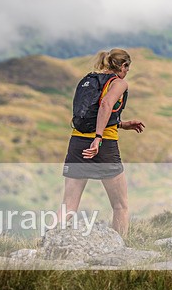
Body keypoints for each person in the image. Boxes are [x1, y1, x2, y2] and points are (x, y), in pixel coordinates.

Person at [59, 48, 145, 236]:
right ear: (123, 66)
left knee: (68, 205)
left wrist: (122, 124)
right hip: (103, 145)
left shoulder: (90, 80)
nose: (127, 72)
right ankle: (119, 249)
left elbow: (94, 111)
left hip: (77, 142)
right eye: (127, 69)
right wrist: (98, 138)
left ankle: (48, 245)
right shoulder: (119, 83)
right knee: (120, 206)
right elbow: (106, 104)